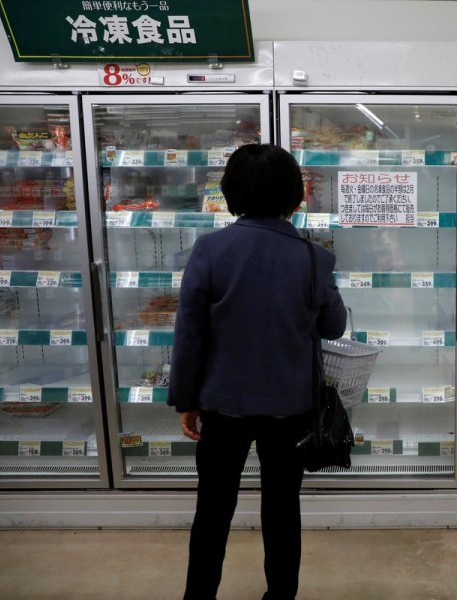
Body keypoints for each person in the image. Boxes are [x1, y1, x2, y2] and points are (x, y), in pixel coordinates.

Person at [168, 144, 347, 600]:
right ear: (296, 196)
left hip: (222, 403)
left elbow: (189, 332)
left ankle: (199, 596)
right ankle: (280, 595)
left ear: (232, 193)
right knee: (282, 509)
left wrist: (186, 401)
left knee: (212, 509)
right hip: (291, 407)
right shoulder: (313, 257)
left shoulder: (210, 250)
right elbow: (334, 325)